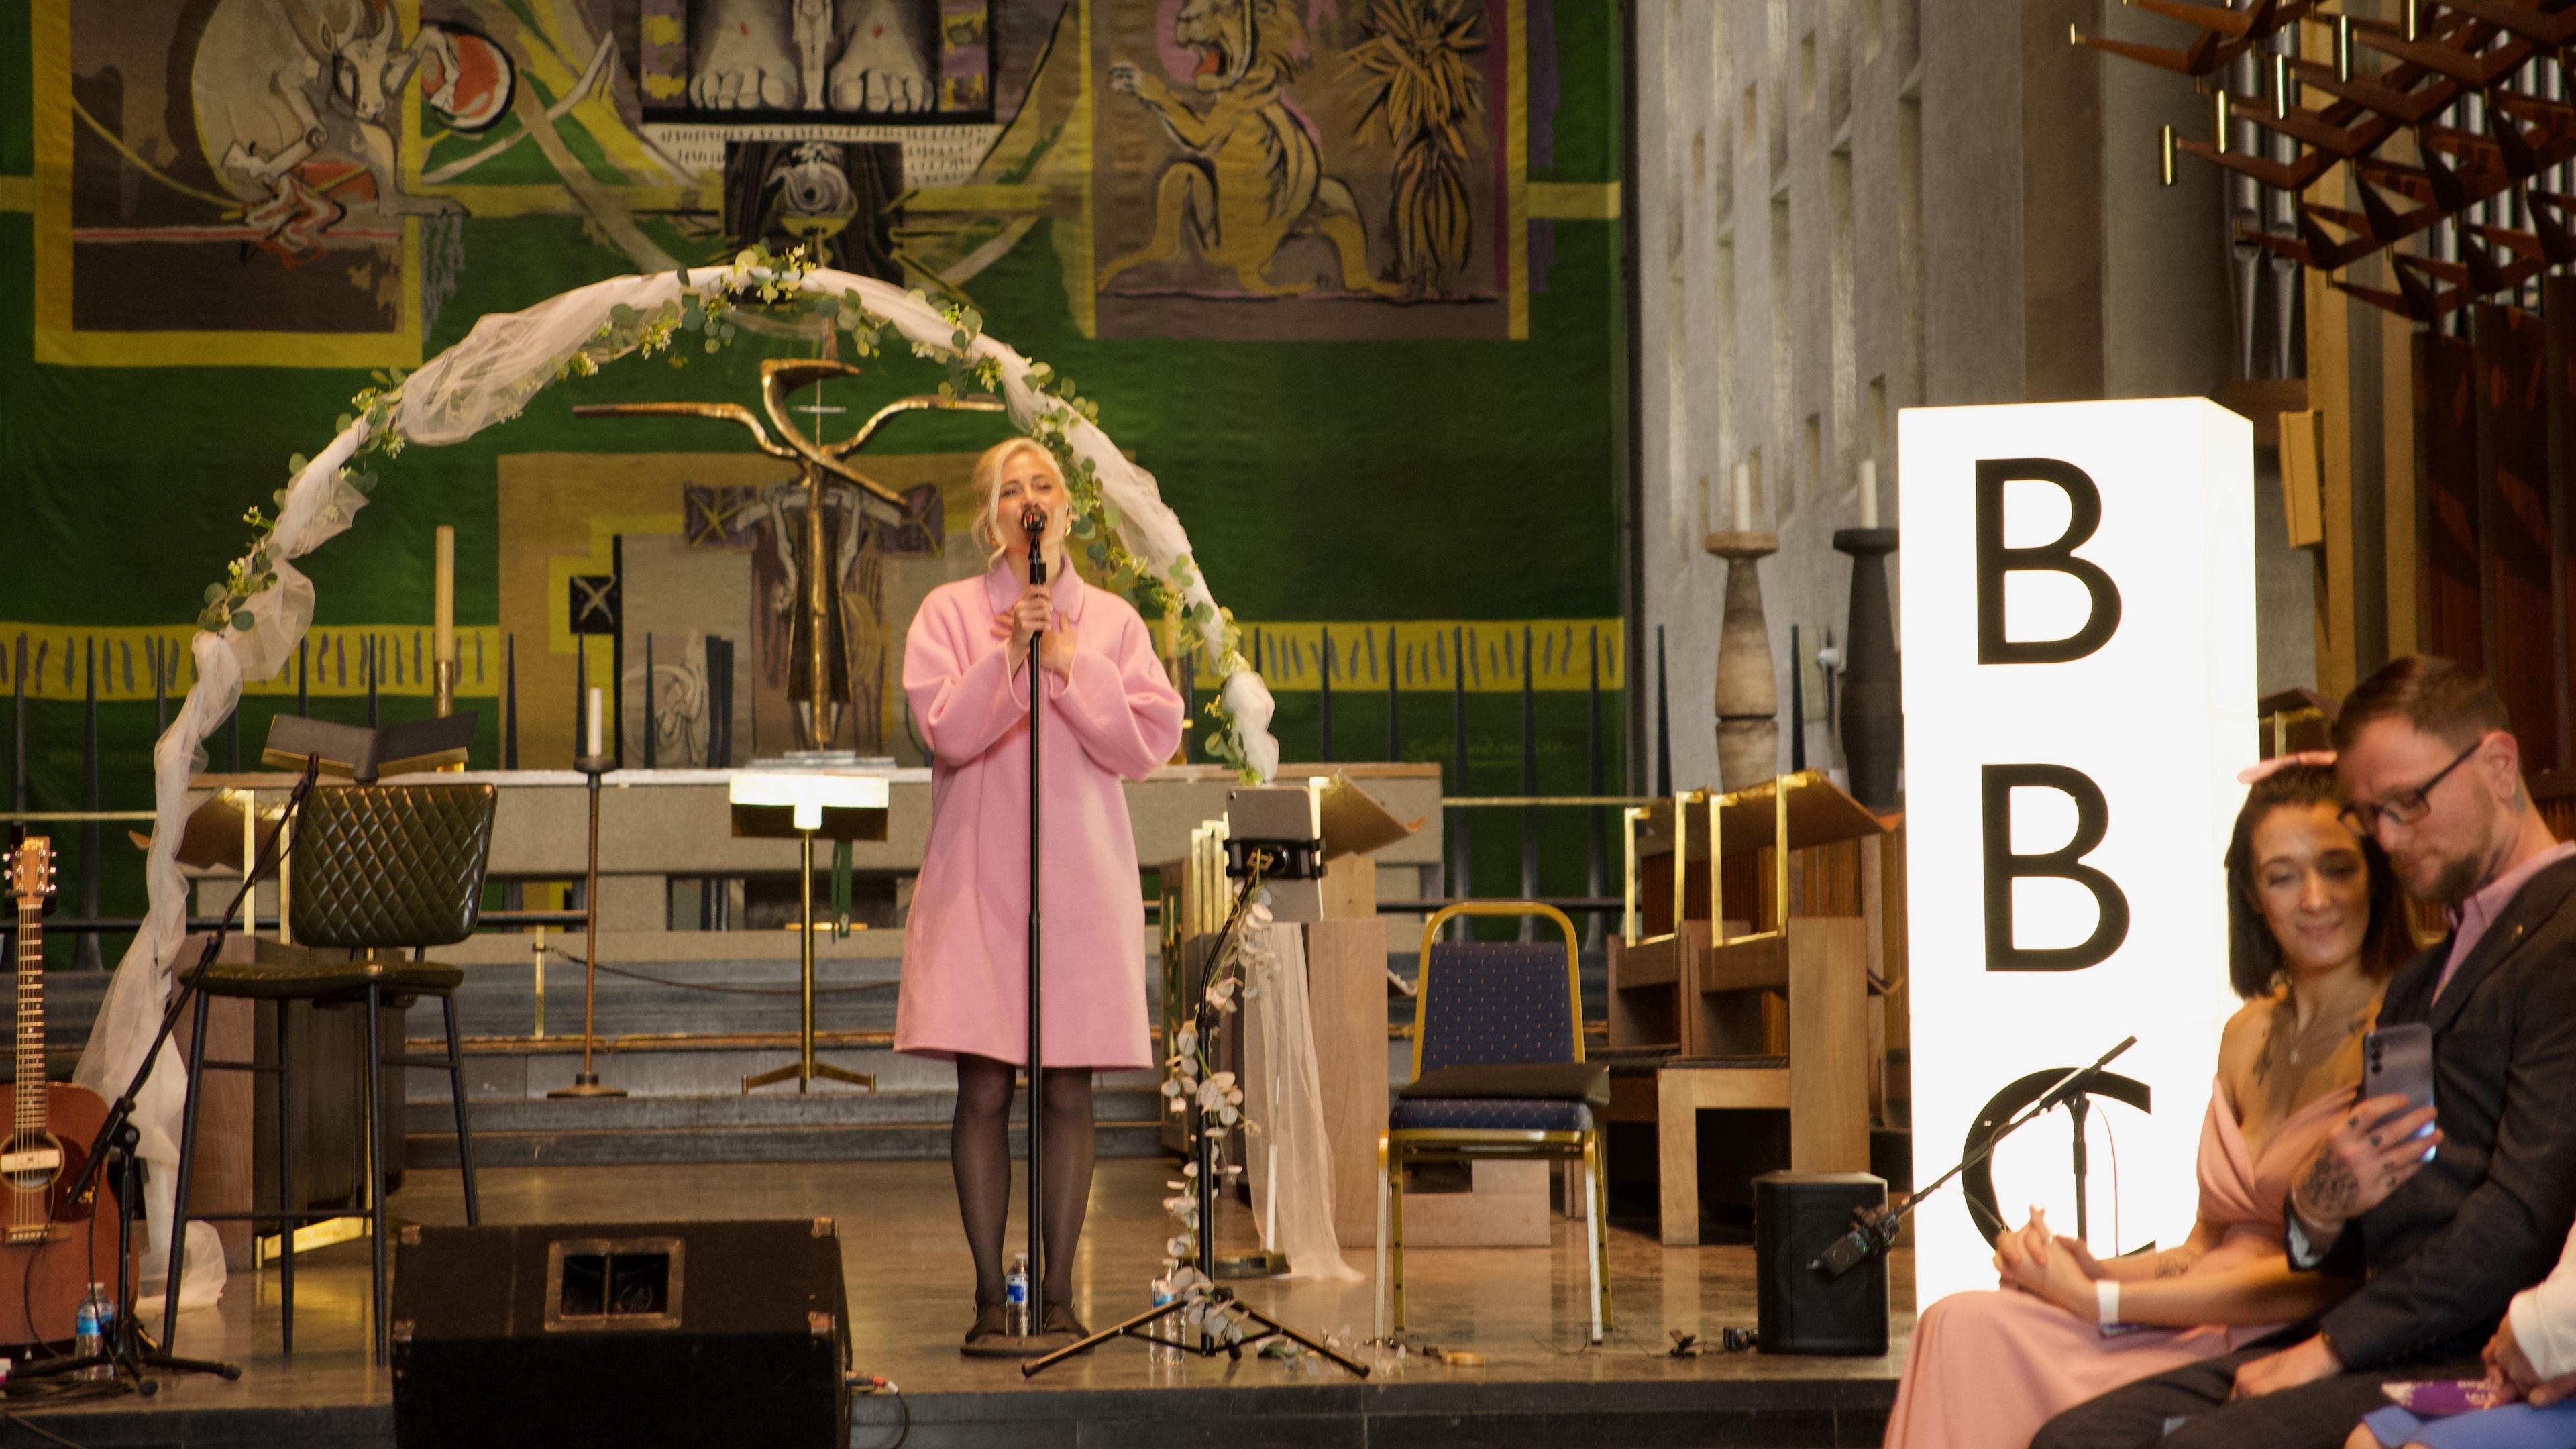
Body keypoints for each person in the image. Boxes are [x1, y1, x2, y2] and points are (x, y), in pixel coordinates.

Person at [2033, 655, 2576, 1449]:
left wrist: (2329, 1349)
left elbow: (2522, 1215)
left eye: (2409, 803)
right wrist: (2320, 1203)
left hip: (2489, 1347)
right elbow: (2350, 1230)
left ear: (2499, 764)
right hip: (2380, 1330)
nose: (2390, 838)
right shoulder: (2423, 979)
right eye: (2370, 816)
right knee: (2075, 1440)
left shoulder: (2563, 936)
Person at [1882, 759, 2409, 1449]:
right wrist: (2081, 1270)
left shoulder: (2401, 1029)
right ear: (2252, 895)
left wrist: (2105, 1301)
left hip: (2284, 1331)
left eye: (2338, 868)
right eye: (2284, 876)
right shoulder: (2247, 1028)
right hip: (2192, 1311)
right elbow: (2203, 1246)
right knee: (1956, 1322)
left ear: (2376, 872)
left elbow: (2332, 1278)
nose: (2315, 899)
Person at [895, 437, 1185, 1353]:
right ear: (990, 518)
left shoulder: (1111, 622)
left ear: (1067, 512)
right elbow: (945, 729)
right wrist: (1010, 657)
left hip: (1081, 879)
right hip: (983, 876)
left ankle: (1058, 1298)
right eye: (1011, 487)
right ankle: (991, 1296)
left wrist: (1067, 659)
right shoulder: (948, 614)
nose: (1030, 498)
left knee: (1068, 1087)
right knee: (984, 1084)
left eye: (1045, 484)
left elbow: (1147, 740)